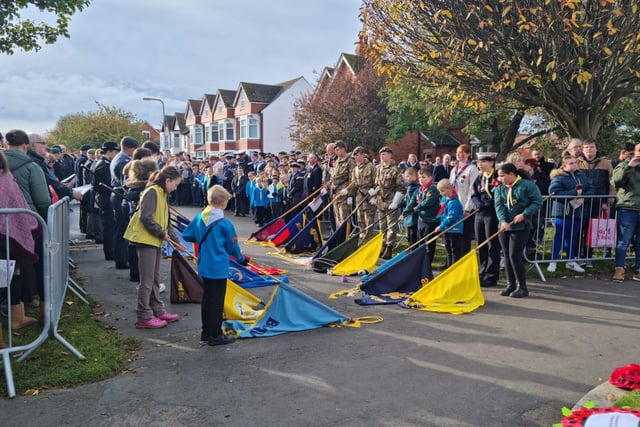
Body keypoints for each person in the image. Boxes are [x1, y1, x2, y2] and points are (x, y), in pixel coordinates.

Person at [182, 185, 249, 346]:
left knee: (207, 299)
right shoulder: (225, 224)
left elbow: (187, 235)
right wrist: (241, 259)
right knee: (217, 302)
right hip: (218, 267)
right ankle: (215, 335)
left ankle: (206, 332)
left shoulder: (200, 218)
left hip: (204, 265)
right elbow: (232, 247)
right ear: (224, 202)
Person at [123, 166, 183, 329]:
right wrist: (161, 233)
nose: (175, 188)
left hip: (154, 240)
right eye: (175, 184)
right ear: (167, 180)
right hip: (145, 240)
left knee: (155, 278)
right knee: (147, 281)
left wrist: (177, 242)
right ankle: (143, 315)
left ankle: (157, 309)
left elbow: (166, 221)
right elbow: (145, 217)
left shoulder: (163, 193)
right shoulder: (152, 191)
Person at [494, 163, 543, 298]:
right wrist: (503, 221)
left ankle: (522, 286)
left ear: (511, 174)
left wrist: (524, 214)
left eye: (503, 176)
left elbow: (537, 202)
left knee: (514, 255)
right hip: (505, 227)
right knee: (506, 255)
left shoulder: (527, 186)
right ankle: (510, 284)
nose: (500, 179)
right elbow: (499, 205)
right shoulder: (500, 189)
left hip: (521, 226)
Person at [548, 156, 593, 273]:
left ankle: (571, 260)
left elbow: (591, 189)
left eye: (575, 163)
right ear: (564, 165)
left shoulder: (581, 176)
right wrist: (574, 193)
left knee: (572, 237)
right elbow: (554, 192)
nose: (574, 165)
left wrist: (583, 198)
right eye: (571, 163)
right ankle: (553, 261)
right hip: (562, 212)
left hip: (577, 212)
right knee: (559, 236)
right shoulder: (559, 178)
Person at [470, 152, 501, 287]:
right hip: (480, 213)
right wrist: (478, 204)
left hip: (491, 213)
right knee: (481, 243)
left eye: (483, 162)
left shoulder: (497, 177)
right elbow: (474, 194)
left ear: (491, 163)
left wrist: (487, 203)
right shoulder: (479, 178)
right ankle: (482, 271)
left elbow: (498, 195)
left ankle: (491, 274)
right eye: (479, 162)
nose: (480, 165)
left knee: (491, 244)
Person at [611, 142, 640, 283]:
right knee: (624, 241)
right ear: (634, 151)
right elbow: (616, 181)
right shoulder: (624, 164)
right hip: (628, 207)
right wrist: (629, 167)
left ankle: (638, 270)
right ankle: (619, 268)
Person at [111, 136, 139, 270]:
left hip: (117, 194)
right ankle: (121, 259)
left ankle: (121, 258)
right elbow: (126, 182)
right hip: (120, 195)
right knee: (123, 229)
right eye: (134, 149)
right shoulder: (124, 160)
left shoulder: (118, 157)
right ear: (129, 148)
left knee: (120, 228)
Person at [374, 146, 405, 259]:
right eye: (381, 154)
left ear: (390, 155)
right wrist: (374, 193)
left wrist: (396, 201)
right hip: (380, 201)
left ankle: (389, 247)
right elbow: (377, 183)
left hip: (391, 201)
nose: (382, 156)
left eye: (385, 154)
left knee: (391, 226)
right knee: (382, 226)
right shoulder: (379, 168)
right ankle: (382, 245)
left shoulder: (395, 169)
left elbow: (401, 187)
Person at [92, 141, 120, 261]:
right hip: (105, 198)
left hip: (105, 197)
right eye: (115, 152)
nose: (116, 154)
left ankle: (111, 250)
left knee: (110, 225)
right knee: (109, 226)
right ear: (109, 151)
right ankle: (110, 252)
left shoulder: (103, 163)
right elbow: (102, 184)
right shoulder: (103, 165)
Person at [414, 166, 440, 266]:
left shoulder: (433, 189)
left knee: (429, 243)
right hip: (421, 219)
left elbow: (428, 203)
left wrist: (418, 206)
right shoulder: (419, 189)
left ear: (430, 178)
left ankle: (427, 263)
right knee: (420, 242)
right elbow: (413, 201)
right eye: (420, 177)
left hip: (430, 220)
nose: (421, 179)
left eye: (424, 177)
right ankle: (421, 261)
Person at [434, 179, 464, 267]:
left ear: (449, 189)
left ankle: (454, 266)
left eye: (442, 191)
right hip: (446, 228)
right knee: (447, 248)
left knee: (454, 249)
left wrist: (441, 226)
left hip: (454, 229)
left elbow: (450, 217)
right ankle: (449, 264)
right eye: (440, 191)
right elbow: (443, 213)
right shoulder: (444, 199)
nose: (441, 193)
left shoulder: (454, 202)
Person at [351, 146, 377, 243]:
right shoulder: (355, 169)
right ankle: (362, 238)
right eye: (355, 156)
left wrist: (374, 194)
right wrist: (349, 194)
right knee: (360, 219)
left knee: (368, 220)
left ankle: (367, 240)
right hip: (359, 197)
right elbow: (354, 184)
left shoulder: (370, 167)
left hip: (369, 197)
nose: (356, 158)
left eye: (357, 155)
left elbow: (377, 182)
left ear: (362, 155)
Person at [329, 141, 355, 226]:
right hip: (335, 194)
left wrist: (350, 194)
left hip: (344, 194)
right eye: (335, 150)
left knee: (344, 219)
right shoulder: (336, 162)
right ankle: (340, 237)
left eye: (337, 150)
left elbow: (353, 179)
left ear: (343, 149)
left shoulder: (350, 161)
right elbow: (333, 177)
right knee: (338, 218)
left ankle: (345, 237)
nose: (336, 152)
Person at [399, 167, 420, 245]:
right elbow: (408, 199)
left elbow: (412, 202)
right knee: (409, 233)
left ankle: (413, 249)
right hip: (408, 212)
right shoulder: (410, 186)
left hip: (412, 213)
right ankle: (410, 246)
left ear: (414, 176)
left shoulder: (415, 187)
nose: (406, 178)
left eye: (407, 176)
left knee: (413, 234)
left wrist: (404, 213)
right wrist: (403, 203)